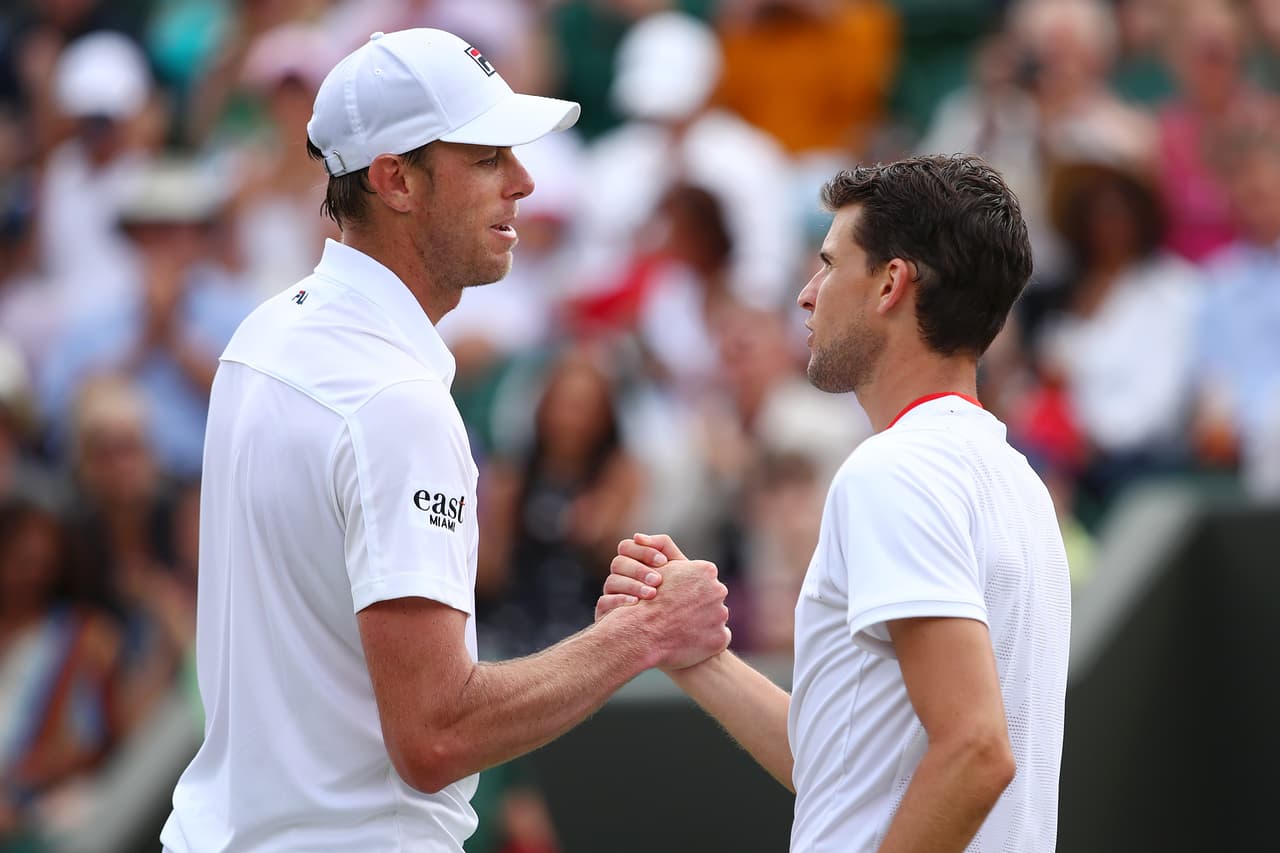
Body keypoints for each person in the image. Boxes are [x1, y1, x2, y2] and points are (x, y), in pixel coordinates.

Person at [160, 28, 730, 853]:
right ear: (395, 179)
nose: (523, 181)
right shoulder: (395, 400)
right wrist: (643, 632)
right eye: (488, 157)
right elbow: (435, 734)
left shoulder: (262, 337)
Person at [601, 155, 1072, 851]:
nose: (806, 294)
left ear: (890, 283)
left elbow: (976, 750)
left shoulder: (895, 469)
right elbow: (839, 773)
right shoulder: (1017, 483)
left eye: (828, 264)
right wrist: (693, 651)